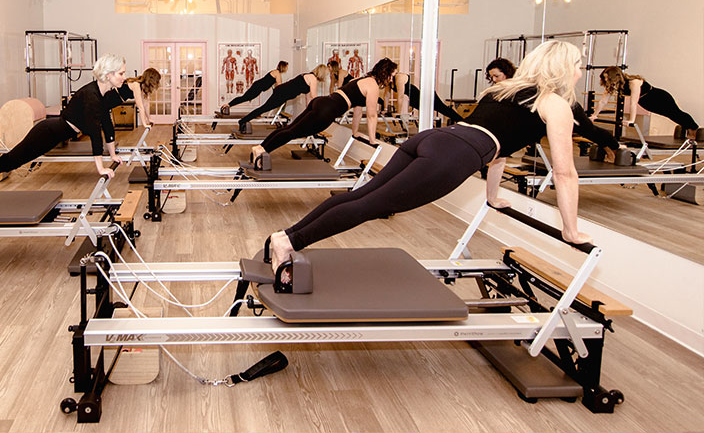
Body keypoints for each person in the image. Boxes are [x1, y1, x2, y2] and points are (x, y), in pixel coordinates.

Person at [264, 40, 593, 282]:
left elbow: (498, 154)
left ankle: (285, 236)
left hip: (433, 139)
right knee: (371, 206)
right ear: (564, 69)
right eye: (578, 65)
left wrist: (492, 198)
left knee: (360, 197)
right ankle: (290, 242)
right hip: (454, 156)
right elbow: (565, 174)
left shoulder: (502, 90)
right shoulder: (555, 104)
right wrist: (571, 230)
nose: (580, 72)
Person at [0, 54, 128, 199]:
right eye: (121, 73)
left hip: (54, 135)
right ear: (108, 74)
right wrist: (100, 168)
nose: (124, 77)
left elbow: (107, 126)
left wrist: (113, 155)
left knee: (9, 162)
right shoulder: (91, 95)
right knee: (9, 162)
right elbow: (95, 133)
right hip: (46, 133)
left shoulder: (103, 94)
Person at [248, 61, 392, 166]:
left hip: (320, 102)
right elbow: (372, 115)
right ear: (385, 73)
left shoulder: (360, 79)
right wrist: (372, 140)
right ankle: (262, 149)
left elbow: (358, 112)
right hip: (327, 110)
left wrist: (355, 132)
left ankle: (260, 148)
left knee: (289, 129)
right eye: (392, 75)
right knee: (293, 132)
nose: (392, 79)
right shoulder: (372, 85)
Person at [485, 57, 622, 158]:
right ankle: (606, 145)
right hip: (550, 111)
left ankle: (616, 146)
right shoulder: (509, 88)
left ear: (506, 72)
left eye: (497, 76)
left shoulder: (522, 81)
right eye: (492, 77)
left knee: (588, 130)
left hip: (566, 105)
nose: (495, 80)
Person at [590, 66, 698, 134]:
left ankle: (694, 128)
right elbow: (603, 101)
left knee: (675, 113)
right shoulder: (612, 85)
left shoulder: (634, 82)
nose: (605, 80)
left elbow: (633, 103)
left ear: (615, 76)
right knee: (670, 115)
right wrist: (594, 115)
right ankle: (687, 127)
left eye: (607, 78)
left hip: (659, 98)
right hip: (646, 103)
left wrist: (632, 120)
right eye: (604, 78)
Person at [236, 65, 328, 132]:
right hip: (282, 93)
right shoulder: (313, 79)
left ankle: (244, 120)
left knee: (264, 108)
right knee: (264, 108)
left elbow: (309, 99)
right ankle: (243, 121)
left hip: (282, 92)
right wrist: (320, 108)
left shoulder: (308, 76)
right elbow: (314, 96)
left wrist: (310, 111)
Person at [393, 71, 462, 125]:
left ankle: (462, 121)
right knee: (442, 109)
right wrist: (385, 109)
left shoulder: (399, 77)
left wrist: (399, 112)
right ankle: (460, 120)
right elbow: (387, 95)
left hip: (424, 95)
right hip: (415, 100)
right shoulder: (390, 80)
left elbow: (400, 96)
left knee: (443, 109)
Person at [220, 61, 288, 113]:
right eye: (286, 67)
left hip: (258, 86)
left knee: (244, 98)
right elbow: (279, 86)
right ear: (283, 67)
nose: (286, 69)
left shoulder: (276, 72)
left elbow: (277, 86)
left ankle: (228, 105)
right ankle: (227, 105)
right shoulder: (277, 73)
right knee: (244, 98)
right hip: (258, 86)